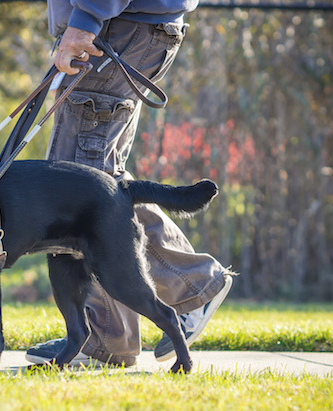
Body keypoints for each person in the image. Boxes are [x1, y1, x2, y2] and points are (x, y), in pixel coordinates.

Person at [26, 0, 233, 367]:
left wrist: (84, 22)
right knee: (102, 180)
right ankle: (110, 335)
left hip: (116, 28)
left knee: (84, 187)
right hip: (126, 29)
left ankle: (193, 283)